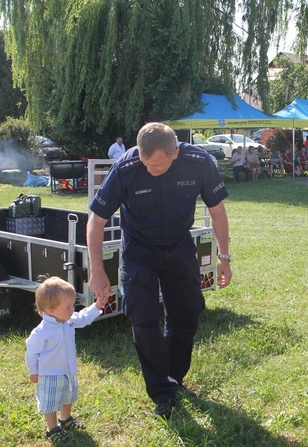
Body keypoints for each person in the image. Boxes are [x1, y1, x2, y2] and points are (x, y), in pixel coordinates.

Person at [87, 122, 231, 419]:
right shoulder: (126, 168)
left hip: (179, 246)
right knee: (143, 318)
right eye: (144, 161)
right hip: (139, 251)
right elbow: (96, 220)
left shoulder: (198, 163)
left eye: (157, 165)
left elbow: (217, 211)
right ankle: (161, 392)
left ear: (174, 153)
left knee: (187, 315)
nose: (149, 169)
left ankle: (174, 378)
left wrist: (224, 257)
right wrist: (97, 270)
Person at [26, 277, 106, 442]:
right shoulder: (42, 331)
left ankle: (66, 418)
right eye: (68, 306)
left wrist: (97, 306)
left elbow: (83, 318)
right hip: (50, 374)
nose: (72, 310)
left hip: (68, 370)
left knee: (68, 396)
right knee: (50, 401)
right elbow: (31, 353)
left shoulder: (67, 321)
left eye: (72, 305)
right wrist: (33, 372)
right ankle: (53, 429)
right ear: (50, 310)